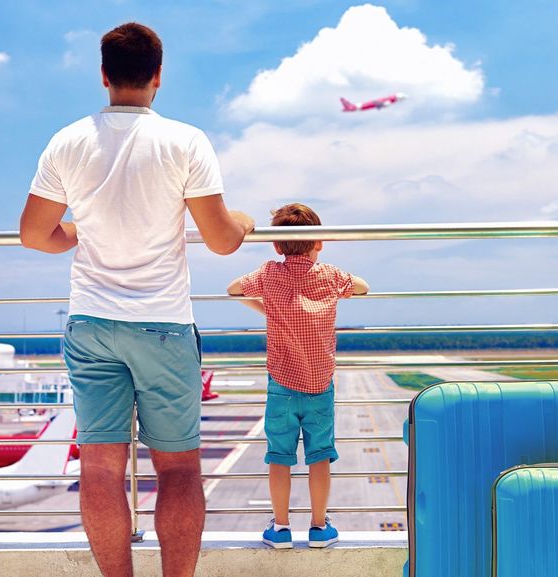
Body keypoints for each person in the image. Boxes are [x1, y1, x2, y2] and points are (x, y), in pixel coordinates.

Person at [19, 22, 254, 577]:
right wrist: (242, 221)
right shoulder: (186, 141)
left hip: (91, 323)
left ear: (104, 76)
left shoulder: (68, 140)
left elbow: (34, 235)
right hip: (161, 324)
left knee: (99, 468)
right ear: (158, 78)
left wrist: (77, 231)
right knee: (178, 471)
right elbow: (221, 241)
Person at [227, 203, 369, 549]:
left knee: (279, 455)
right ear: (318, 242)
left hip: (282, 385)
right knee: (320, 455)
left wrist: (269, 309)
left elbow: (233, 289)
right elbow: (363, 287)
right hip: (320, 384)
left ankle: (280, 527)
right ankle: (319, 527)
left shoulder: (269, 274)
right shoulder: (330, 276)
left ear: (277, 245)